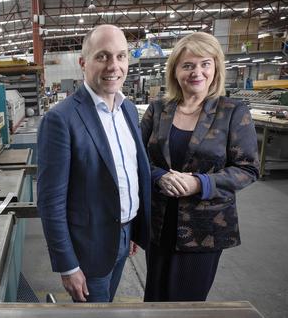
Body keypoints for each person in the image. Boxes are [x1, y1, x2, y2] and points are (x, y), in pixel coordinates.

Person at [140, 32, 259, 302]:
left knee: (187, 301)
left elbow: (248, 168)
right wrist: (158, 177)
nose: (197, 72)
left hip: (204, 229)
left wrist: (200, 183)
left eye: (205, 63)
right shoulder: (158, 110)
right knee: (155, 297)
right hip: (159, 223)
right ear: (175, 71)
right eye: (188, 65)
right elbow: (135, 159)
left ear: (215, 68)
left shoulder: (233, 112)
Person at [37, 25, 151, 302]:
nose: (114, 66)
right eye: (103, 56)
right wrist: (68, 265)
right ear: (83, 62)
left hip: (125, 235)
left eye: (121, 56)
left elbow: (128, 175)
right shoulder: (61, 120)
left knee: (108, 305)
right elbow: (51, 202)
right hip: (88, 249)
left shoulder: (128, 110)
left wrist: (131, 229)